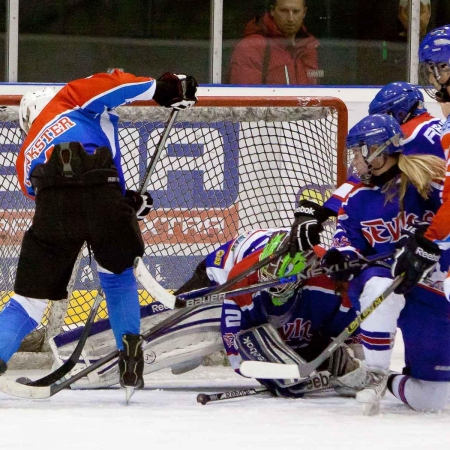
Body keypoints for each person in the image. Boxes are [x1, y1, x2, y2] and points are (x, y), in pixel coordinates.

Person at [0, 70, 198, 399]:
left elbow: (41, 191)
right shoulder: (67, 100)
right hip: (101, 191)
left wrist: (123, 203)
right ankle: (130, 358)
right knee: (117, 274)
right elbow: (114, 83)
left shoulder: (25, 156)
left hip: (52, 208)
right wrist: (160, 87)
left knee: (29, 302)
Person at [321, 113, 450, 414]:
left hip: (429, 287)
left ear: (379, 151)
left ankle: (389, 380)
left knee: (432, 400)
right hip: (381, 277)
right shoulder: (356, 198)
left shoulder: (428, 185)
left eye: (359, 152)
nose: (354, 161)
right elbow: (347, 240)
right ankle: (375, 372)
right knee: (381, 286)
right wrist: (342, 258)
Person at [190, 228, 370, 398]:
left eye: (279, 281)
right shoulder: (241, 278)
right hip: (225, 266)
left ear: (304, 275)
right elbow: (238, 361)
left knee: (297, 343)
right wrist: (265, 368)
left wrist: (345, 362)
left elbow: (355, 342)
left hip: (294, 276)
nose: (272, 285)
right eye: (267, 276)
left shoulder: (335, 281)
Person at [289, 80, 444, 257]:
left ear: (399, 111)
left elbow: (367, 175)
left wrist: (323, 212)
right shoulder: (441, 124)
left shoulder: (409, 134)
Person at [228, 0, 320, 85]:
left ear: (304, 13)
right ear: (272, 11)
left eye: (296, 11)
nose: (290, 18)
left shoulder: (310, 47)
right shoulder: (252, 48)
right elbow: (246, 98)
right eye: (284, 11)